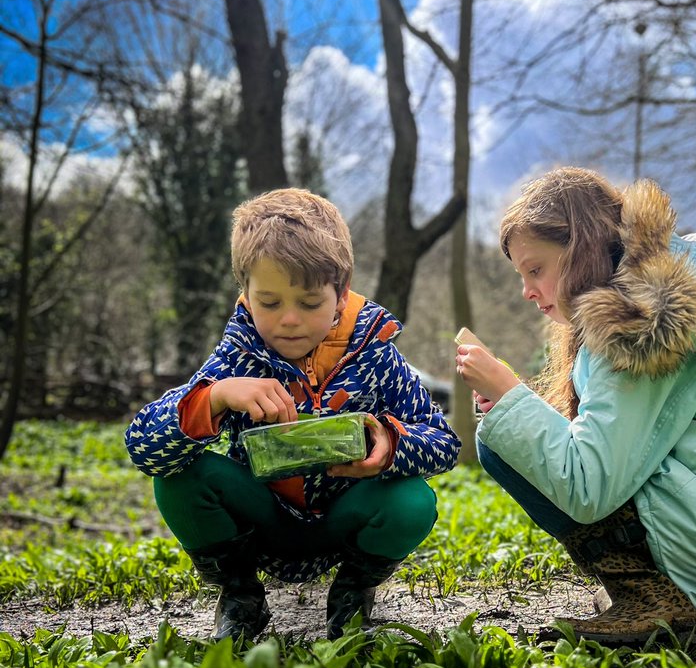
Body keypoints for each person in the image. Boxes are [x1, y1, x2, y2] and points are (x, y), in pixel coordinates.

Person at [456, 166, 696, 644]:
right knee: (510, 434)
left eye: (536, 269)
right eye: (521, 274)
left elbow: (590, 487)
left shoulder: (640, 331)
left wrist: (512, 399)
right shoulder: (643, 305)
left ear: (582, 252)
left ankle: (654, 596)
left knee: (501, 445)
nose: (527, 291)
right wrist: (517, 405)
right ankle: (660, 589)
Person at [126, 188, 460, 643]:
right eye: (269, 302)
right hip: (261, 521)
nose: (288, 320)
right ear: (245, 294)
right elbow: (143, 447)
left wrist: (389, 444)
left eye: (308, 303)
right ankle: (241, 598)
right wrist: (217, 396)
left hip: (345, 519)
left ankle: (352, 594)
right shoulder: (236, 358)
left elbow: (444, 442)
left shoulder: (377, 355)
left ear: (341, 295)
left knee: (413, 501)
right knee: (178, 478)